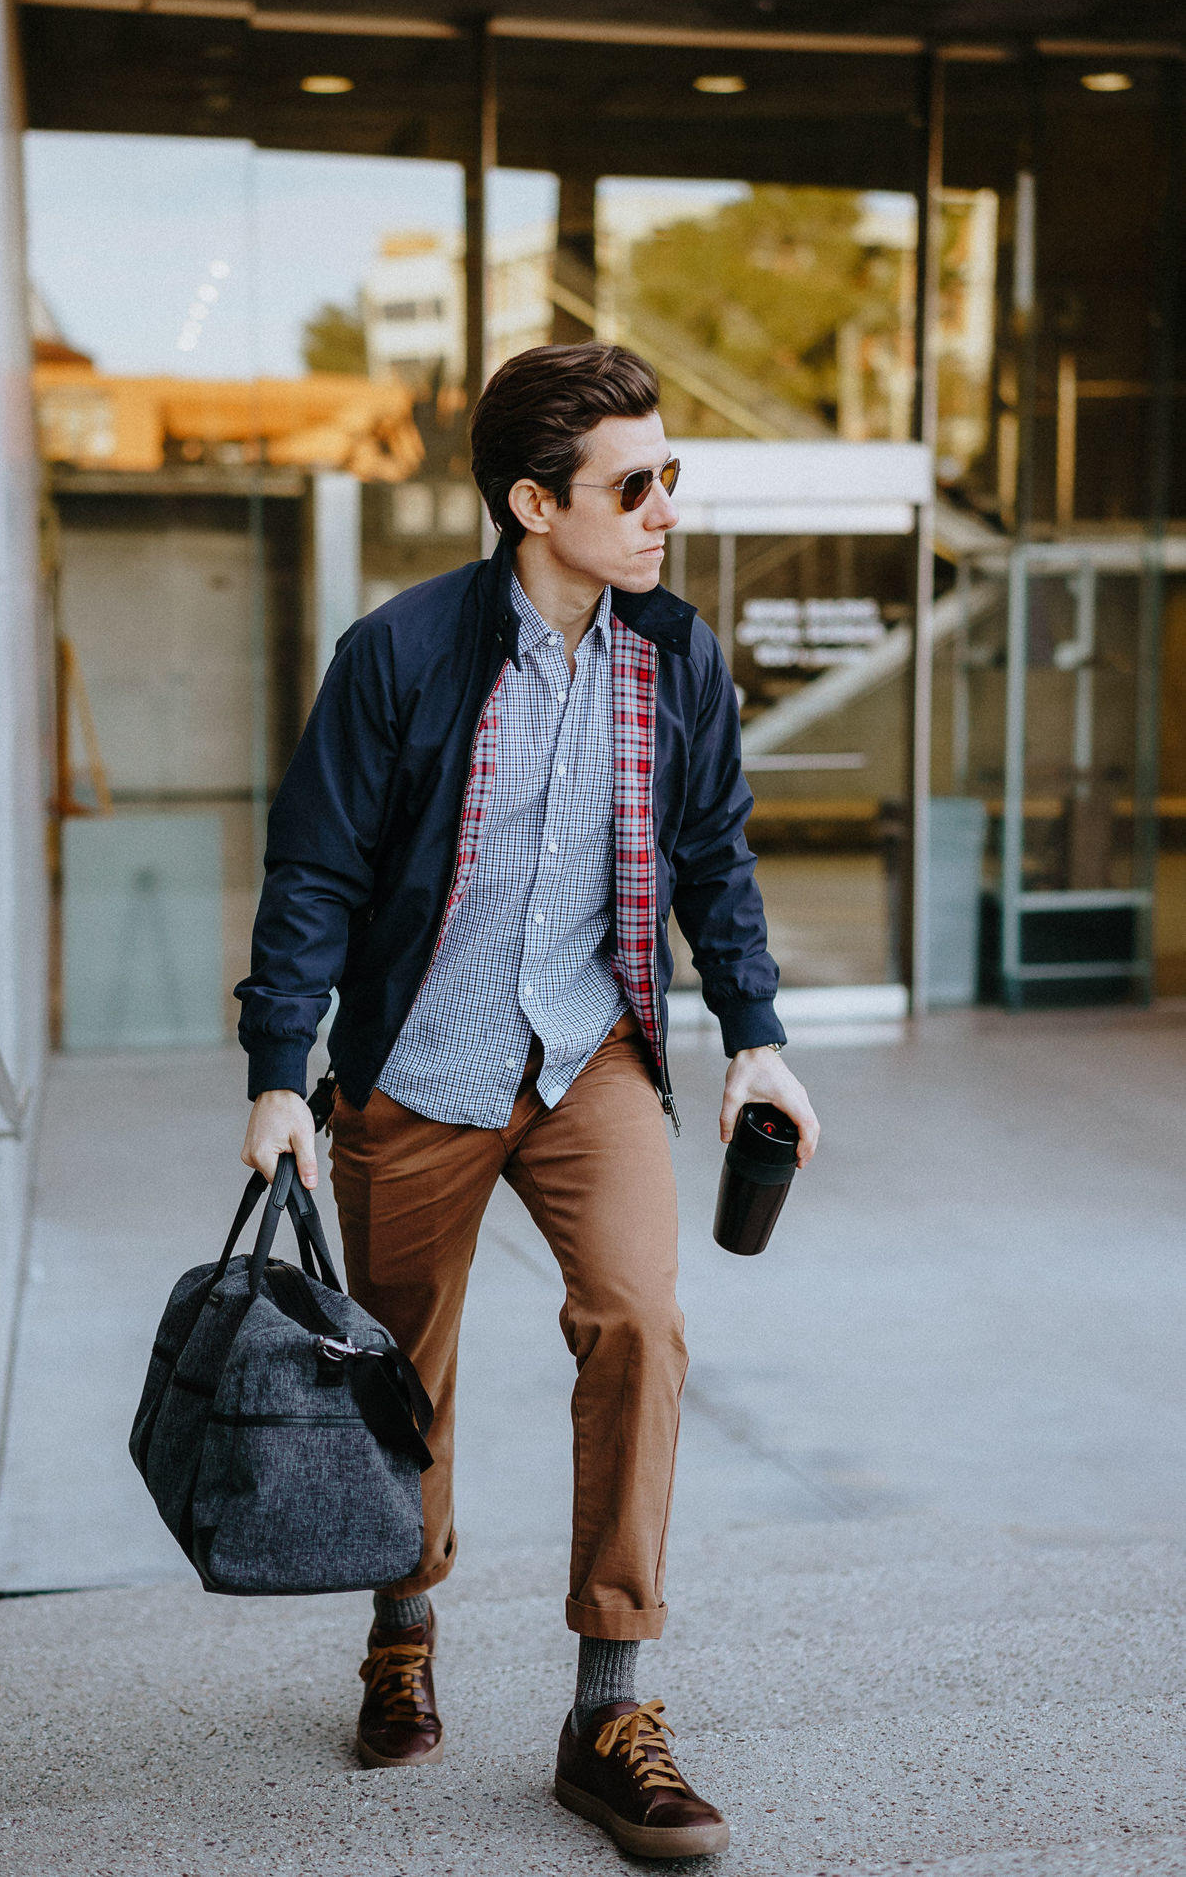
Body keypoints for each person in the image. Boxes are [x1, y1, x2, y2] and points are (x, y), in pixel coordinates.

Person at [236, 340, 819, 1860]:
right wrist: (278, 1073)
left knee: (641, 1320)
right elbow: (315, 871)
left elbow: (715, 861)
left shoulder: (677, 657)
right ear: (532, 502)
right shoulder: (402, 654)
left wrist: (755, 1036)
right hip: (418, 1068)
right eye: (635, 485)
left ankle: (609, 1707)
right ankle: (401, 1620)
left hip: (588, 1056)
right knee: (399, 1371)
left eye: (669, 475)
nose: (664, 509)